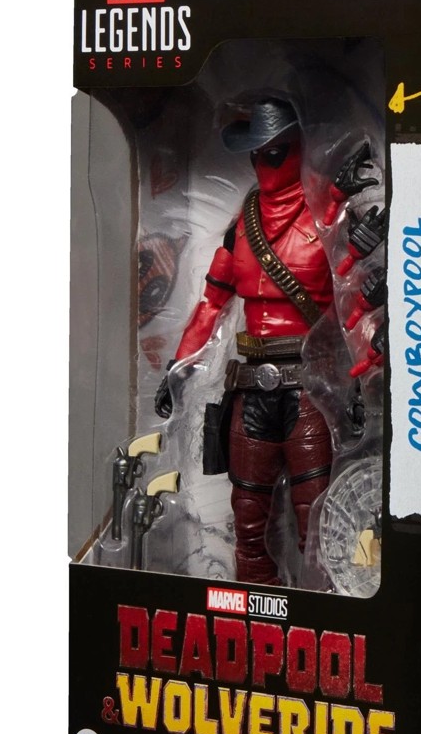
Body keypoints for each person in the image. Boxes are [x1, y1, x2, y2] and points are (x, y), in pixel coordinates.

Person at [155, 94, 375, 585]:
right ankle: (253, 614)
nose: (264, 163)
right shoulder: (241, 228)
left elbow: (357, 306)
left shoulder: (328, 219)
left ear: (298, 147)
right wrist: (177, 369)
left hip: (308, 390)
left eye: (275, 152)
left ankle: (324, 611)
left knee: (317, 521)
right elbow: (210, 306)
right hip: (250, 389)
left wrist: (361, 384)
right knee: (248, 524)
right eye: (257, 154)